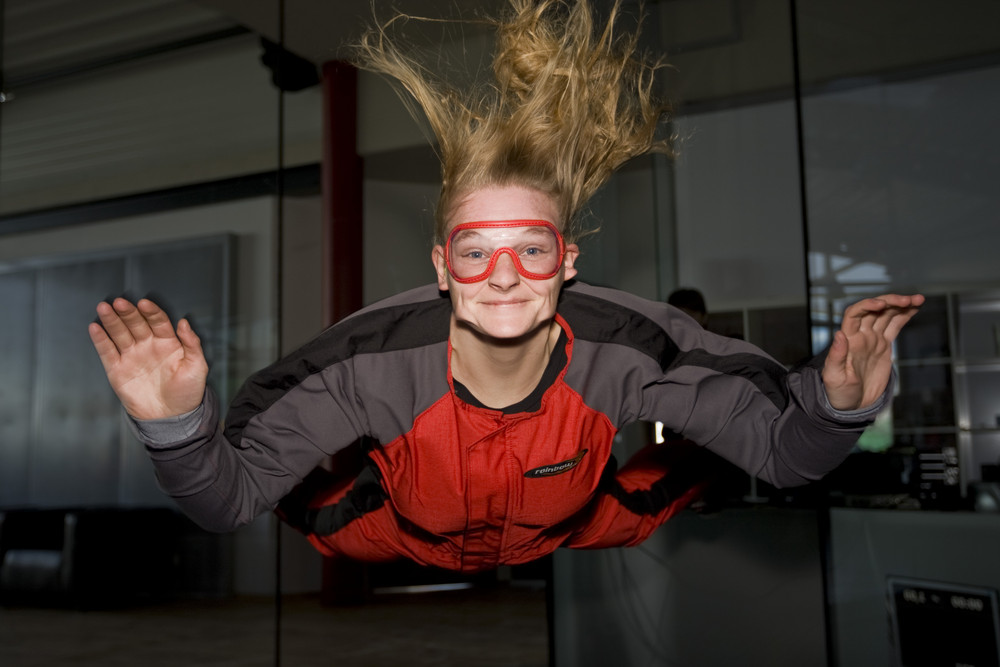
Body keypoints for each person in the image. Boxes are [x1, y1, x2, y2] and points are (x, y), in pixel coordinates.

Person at [88, 0, 923, 573]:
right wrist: (176, 427)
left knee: (671, 481)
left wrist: (839, 404)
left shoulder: (630, 348)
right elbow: (226, 501)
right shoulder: (365, 363)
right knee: (308, 511)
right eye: (476, 251)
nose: (503, 278)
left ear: (567, 261)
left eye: (531, 250)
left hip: (575, 515)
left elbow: (786, 453)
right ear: (442, 266)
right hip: (393, 528)